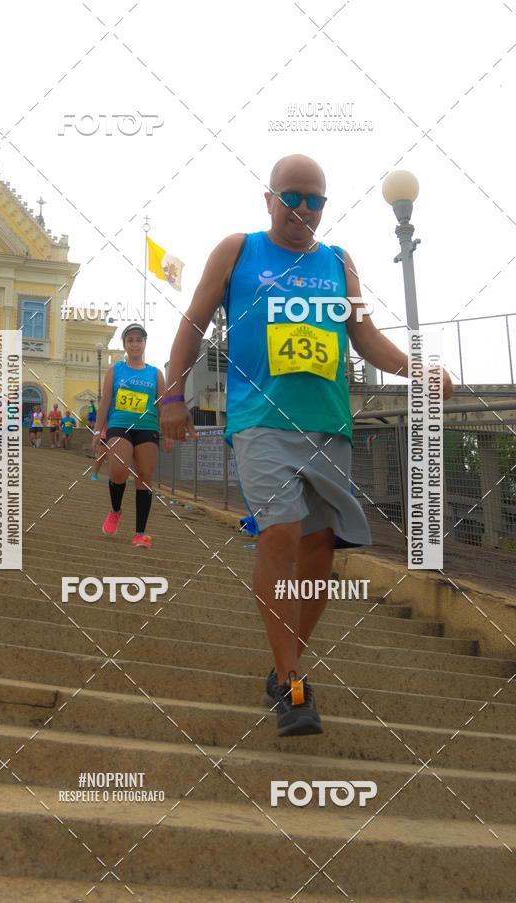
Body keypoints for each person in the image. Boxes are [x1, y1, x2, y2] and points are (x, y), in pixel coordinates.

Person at [162, 153, 454, 738]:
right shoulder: (238, 250)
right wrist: (171, 396)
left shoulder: (339, 262)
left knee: (320, 550)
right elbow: (194, 322)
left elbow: (364, 336)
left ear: (325, 205)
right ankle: (294, 684)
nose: (302, 208)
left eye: (314, 199)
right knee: (281, 531)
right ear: (268, 199)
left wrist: (414, 368)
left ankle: (285, 664)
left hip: (329, 424)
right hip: (260, 421)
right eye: (290, 196)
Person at [92, 323, 172, 548]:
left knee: (145, 479)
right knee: (118, 470)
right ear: (125, 345)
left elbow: (163, 406)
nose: (135, 344)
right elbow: (106, 401)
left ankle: (139, 533)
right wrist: (98, 430)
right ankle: (116, 510)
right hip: (119, 426)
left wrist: (168, 434)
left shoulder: (155, 373)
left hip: (147, 428)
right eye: (130, 340)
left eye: (139, 340)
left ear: (144, 343)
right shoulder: (115, 370)